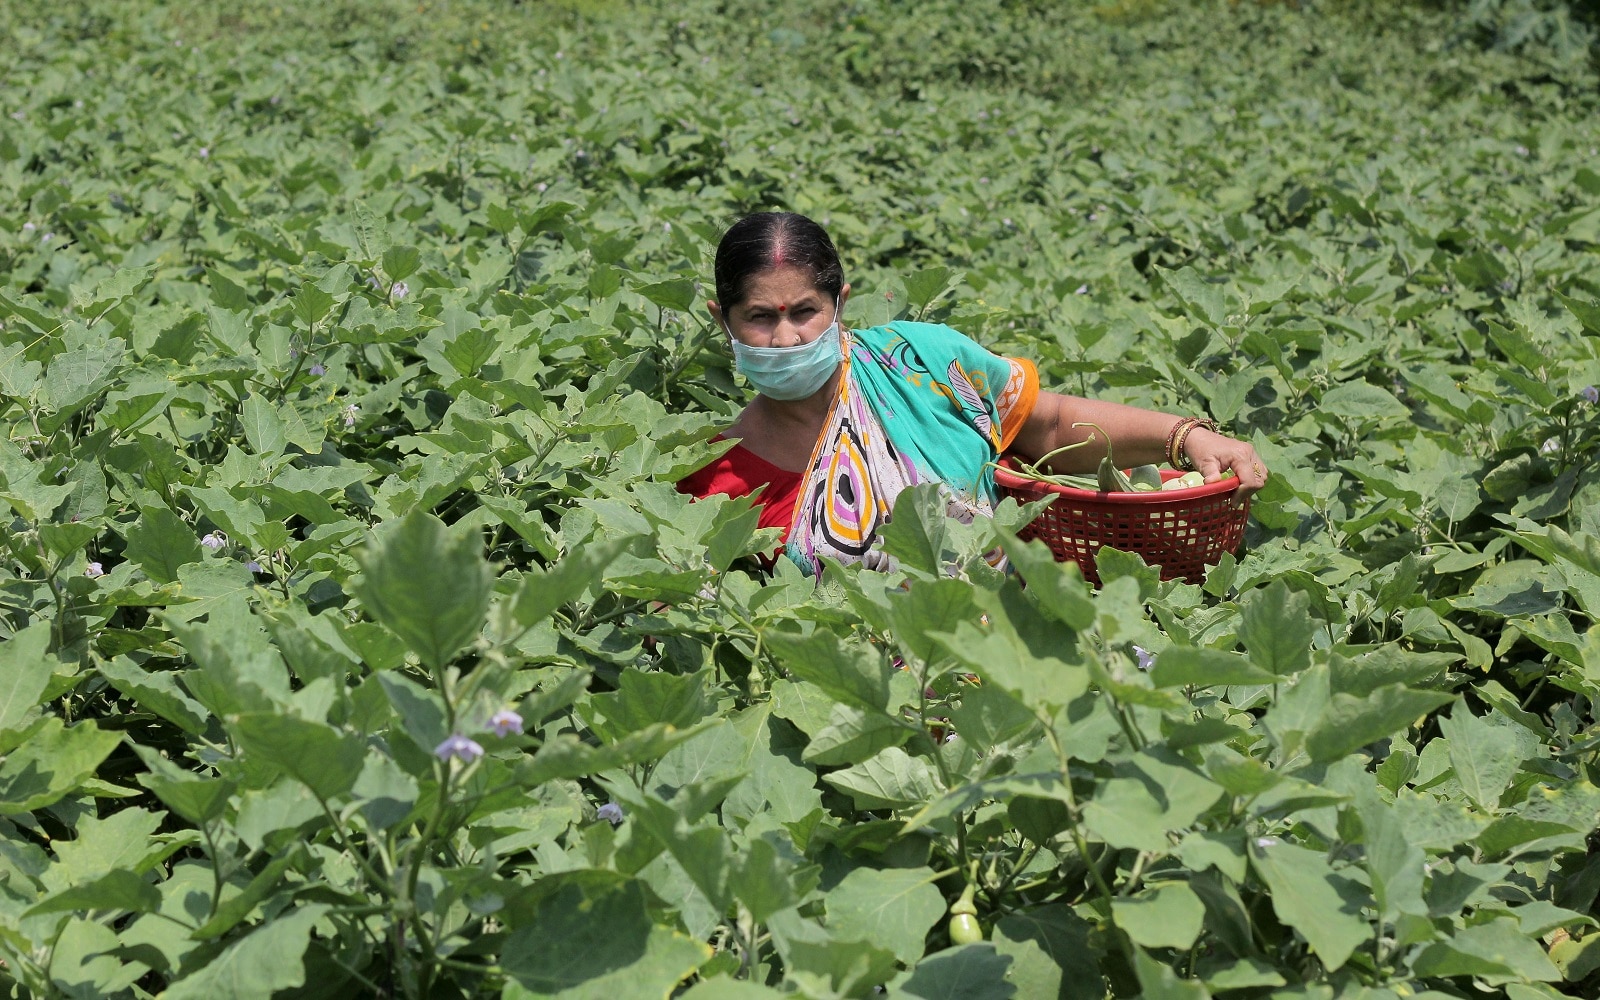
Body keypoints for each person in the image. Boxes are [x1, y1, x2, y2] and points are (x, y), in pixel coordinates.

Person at [678, 212, 1268, 575]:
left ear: (841, 304)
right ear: (721, 320)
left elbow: (1051, 425)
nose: (787, 338)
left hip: (1011, 664)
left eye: (806, 311)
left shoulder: (922, 363)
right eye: (759, 317)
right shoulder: (715, 476)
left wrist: (1183, 437)